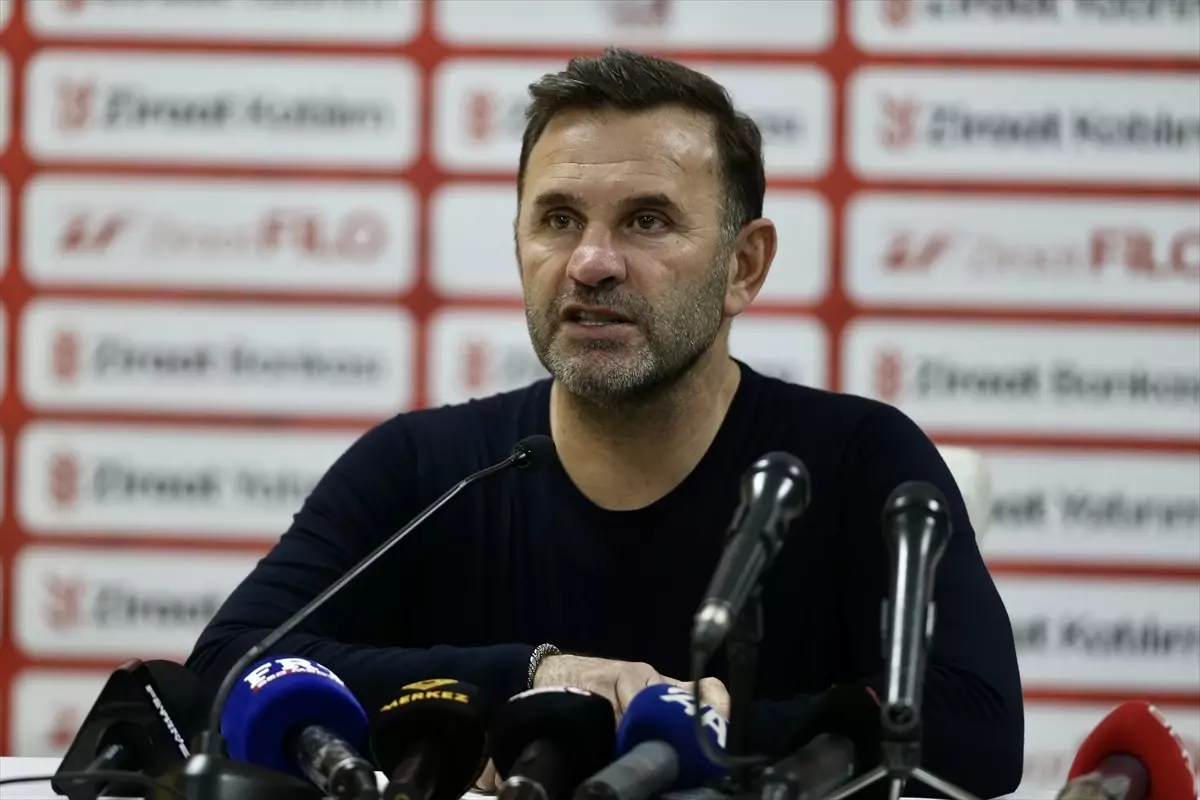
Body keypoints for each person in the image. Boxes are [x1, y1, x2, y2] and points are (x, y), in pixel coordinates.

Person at [185, 48, 1023, 796]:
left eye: (647, 221)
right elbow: (224, 675)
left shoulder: (855, 459)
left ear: (744, 265)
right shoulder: (425, 467)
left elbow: (978, 732)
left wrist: (679, 730)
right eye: (558, 220)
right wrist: (534, 678)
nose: (590, 262)